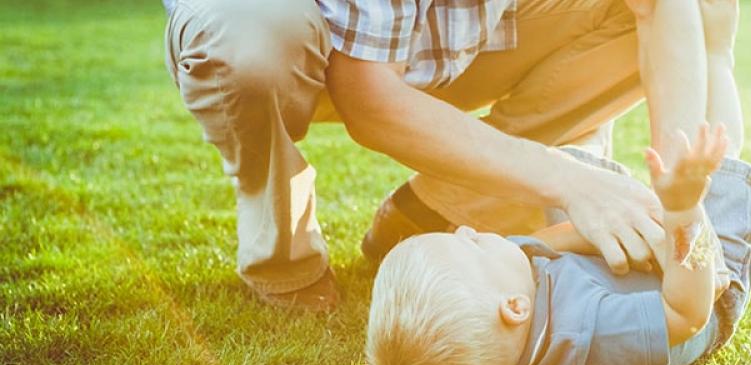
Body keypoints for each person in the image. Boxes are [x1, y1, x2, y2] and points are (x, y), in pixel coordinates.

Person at [162, 0, 711, 310]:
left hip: (441, 39)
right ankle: (283, 258)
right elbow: (369, 102)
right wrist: (570, 182)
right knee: (254, 44)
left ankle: (431, 211)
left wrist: (683, 201)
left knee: (688, 7)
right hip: (281, 30)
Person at [364, 0, 751, 365]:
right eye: (470, 245)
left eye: (457, 234)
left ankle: (603, 160)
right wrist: (683, 216)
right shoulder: (591, 332)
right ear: (515, 309)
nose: (468, 229)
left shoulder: (508, 280)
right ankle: (720, 53)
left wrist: (638, 231)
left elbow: (550, 242)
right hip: (702, 286)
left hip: (625, 263)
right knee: (715, 163)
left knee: (571, 164)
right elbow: (687, 314)